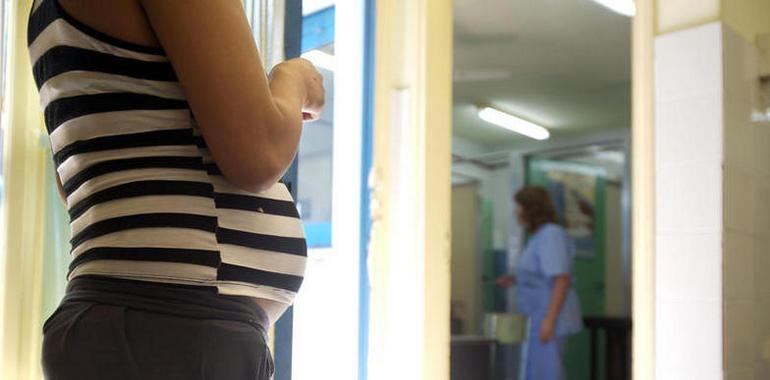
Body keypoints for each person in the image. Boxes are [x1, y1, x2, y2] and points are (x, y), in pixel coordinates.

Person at [27, 0, 324, 378]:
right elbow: (257, 153)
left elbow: (83, 181)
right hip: (173, 327)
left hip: (145, 323)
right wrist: (294, 78)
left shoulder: (45, 14)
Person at [497, 186, 583, 380]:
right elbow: (541, 273)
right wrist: (516, 279)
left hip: (548, 320)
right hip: (536, 319)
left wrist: (549, 321)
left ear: (530, 208)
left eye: (518, 206)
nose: (515, 210)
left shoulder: (551, 234)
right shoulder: (537, 237)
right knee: (535, 372)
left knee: (546, 374)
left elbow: (561, 279)